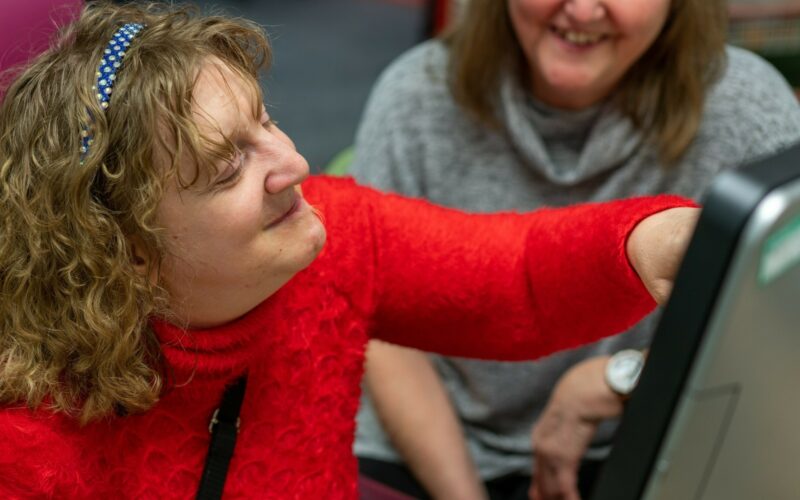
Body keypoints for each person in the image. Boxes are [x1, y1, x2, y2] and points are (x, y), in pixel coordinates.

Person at [0, 2, 699, 498]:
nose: (295, 164)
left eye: (266, 121)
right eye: (228, 167)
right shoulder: (30, 441)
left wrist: (655, 242)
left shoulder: (329, 232)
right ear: (127, 250)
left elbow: (515, 277)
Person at [350, 0, 800, 499]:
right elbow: (383, 321)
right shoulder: (416, 96)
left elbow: (780, 329)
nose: (583, 11)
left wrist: (626, 377)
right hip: (433, 444)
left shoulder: (745, 107)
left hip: (640, 436)